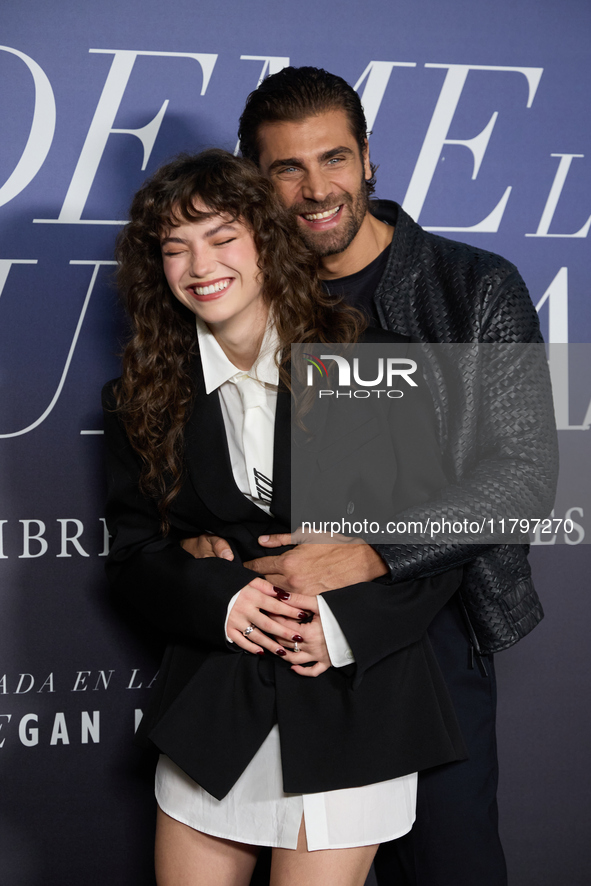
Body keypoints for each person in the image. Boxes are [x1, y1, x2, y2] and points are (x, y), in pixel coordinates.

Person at [189, 68, 557, 886]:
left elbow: (526, 475)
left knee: (447, 864)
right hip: (281, 642)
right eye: (287, 168)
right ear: (255, 179)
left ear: (368, 163)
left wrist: (374, 551)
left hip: (433, 623)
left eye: (334, 159)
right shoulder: (240, 293)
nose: (317, 189)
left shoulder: (471, 286)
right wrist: (198, 536)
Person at [102, 149, 467, 886]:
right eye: (175, 247)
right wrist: (222, 597)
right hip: (214, 708)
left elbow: (443, 536)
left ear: (266, 237)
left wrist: (337, 629)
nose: (198, 264)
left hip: (353, 705)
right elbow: (136, 553)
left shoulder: (370, 359)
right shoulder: (140, 393)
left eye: (220, 235)